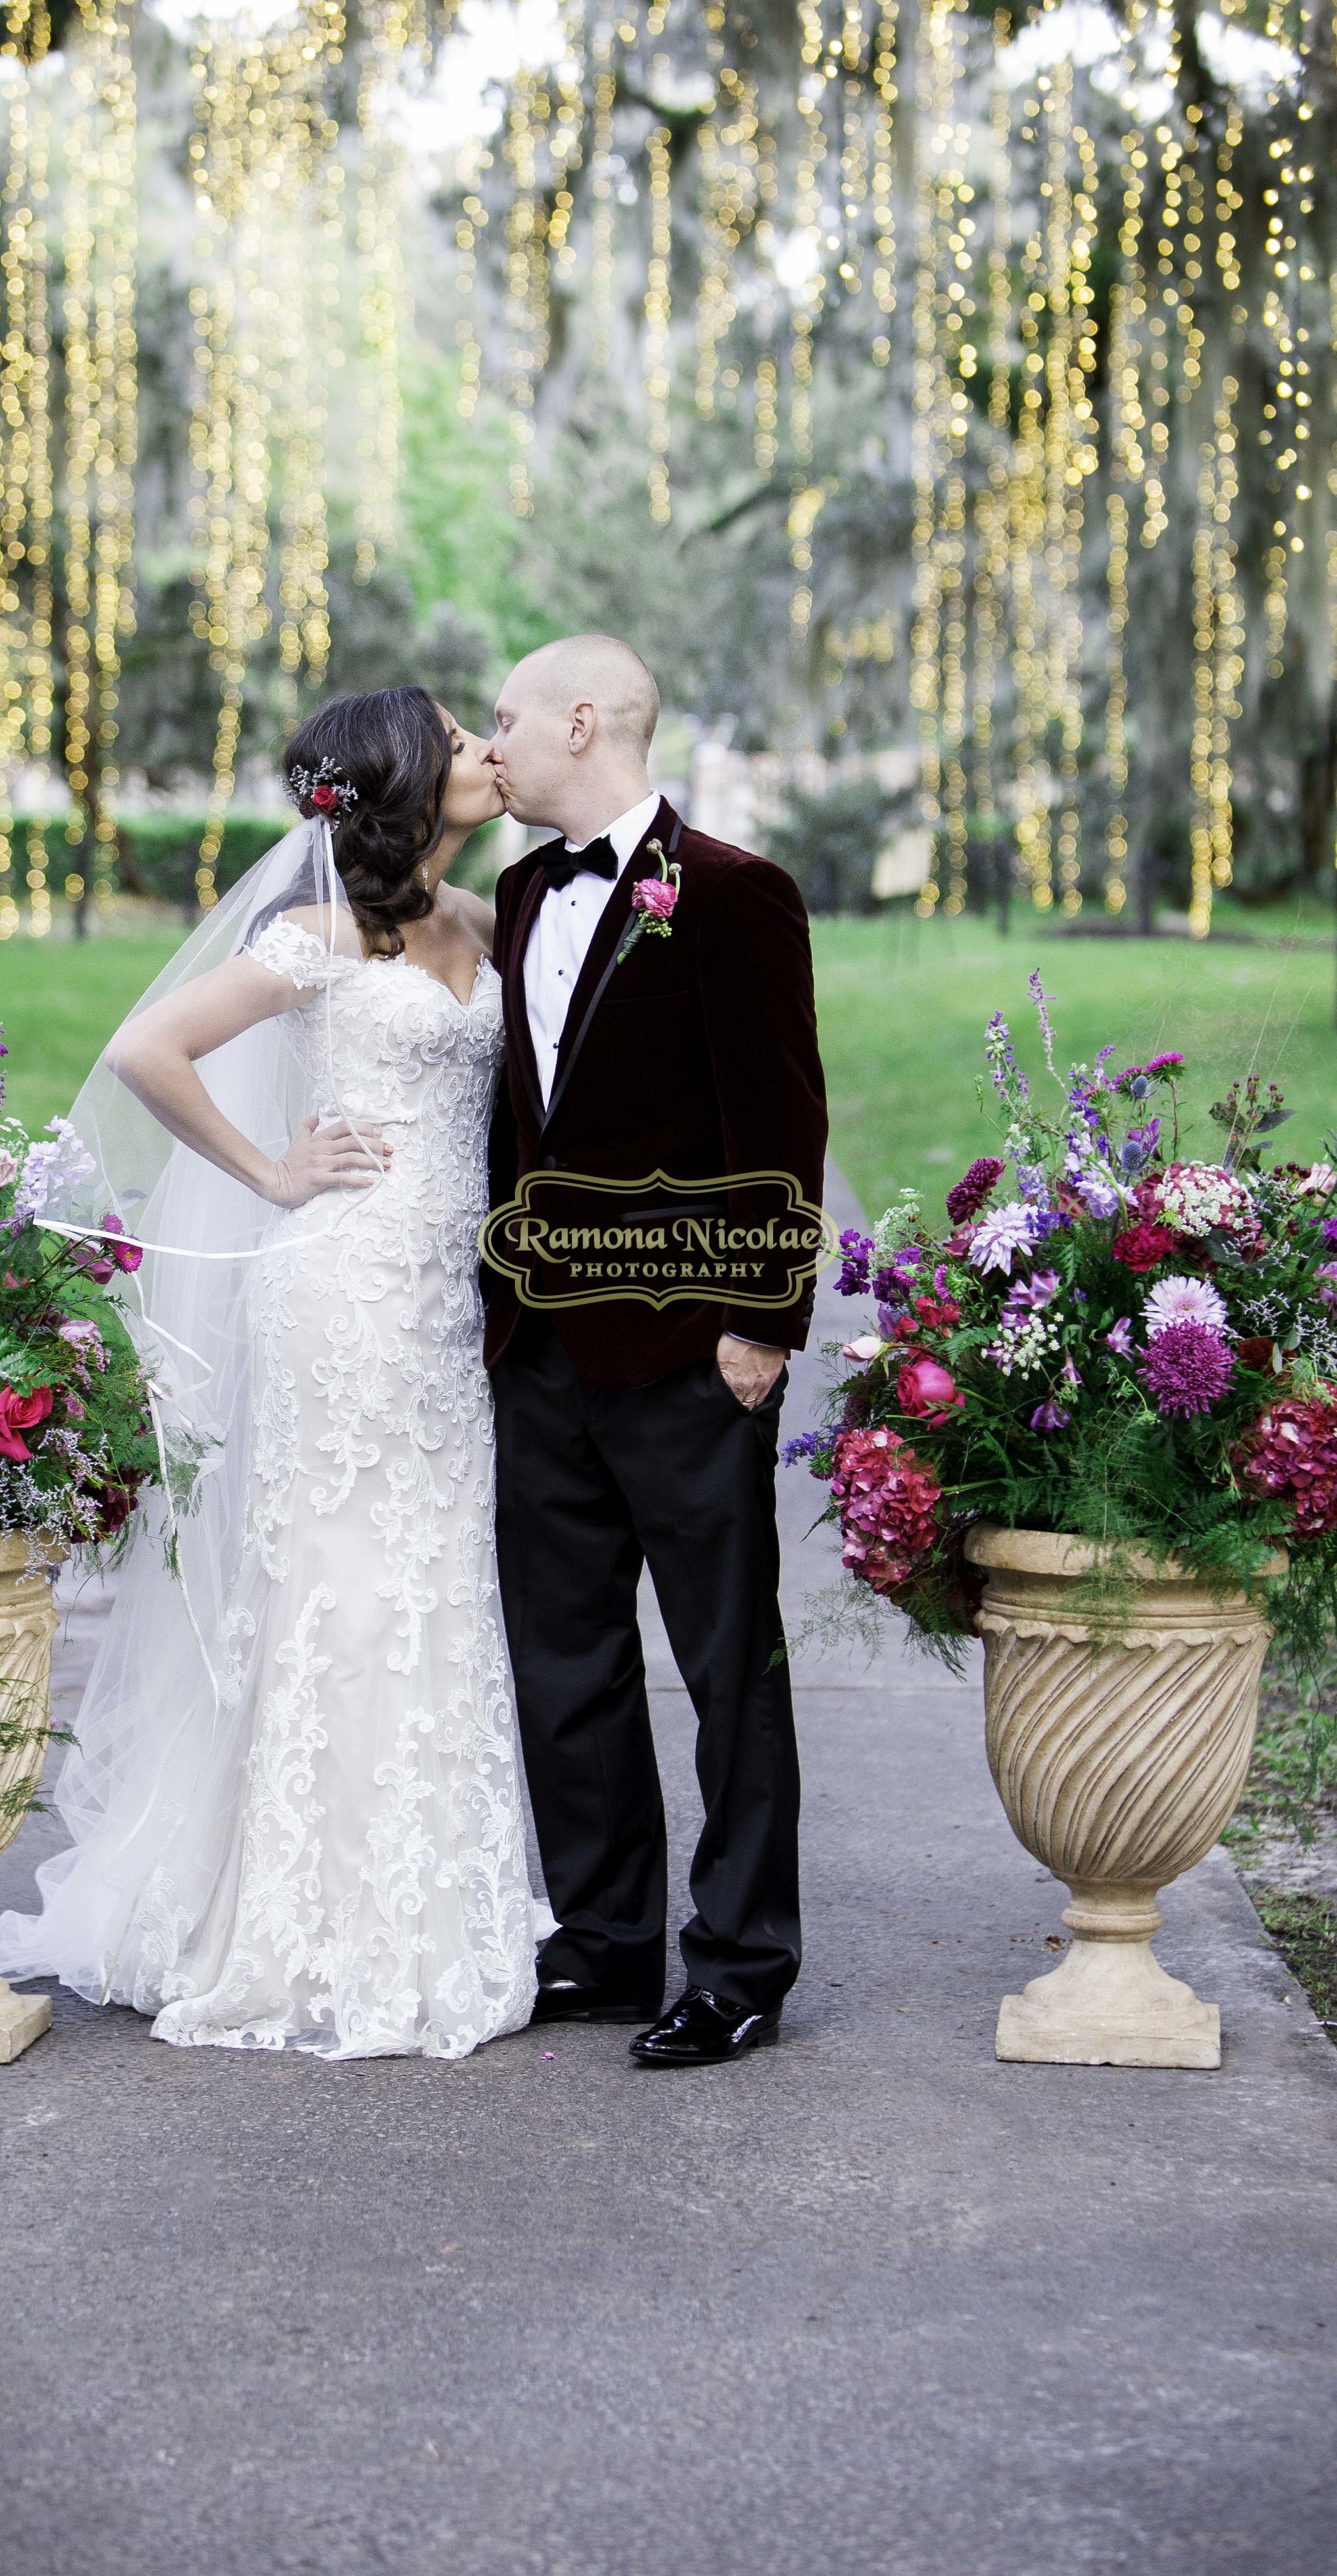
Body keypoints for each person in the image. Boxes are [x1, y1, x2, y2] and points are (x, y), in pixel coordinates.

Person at [0, 687, 543, 2060]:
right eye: (464, 741)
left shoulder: (478, 924)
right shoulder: (317, 936)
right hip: (337, 1292)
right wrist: (272, 1171)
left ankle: (429, 1907)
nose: (485, 754)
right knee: (340, 1590)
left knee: (436, 1584)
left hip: (442, 1308)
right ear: (410, 778)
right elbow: (144, 1050)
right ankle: (304, 1926)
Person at [483, 634, 828, 2067]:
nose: (487, 746)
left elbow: (779, 1115)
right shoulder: (513, 893)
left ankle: (740, 1961)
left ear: (580, 720)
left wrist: (764, 1323)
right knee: (563, 1663)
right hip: (536, 1350)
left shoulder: (736, 895)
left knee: (721, 1662)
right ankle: (607, 1940)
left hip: (692, 1351)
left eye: (502, 720)